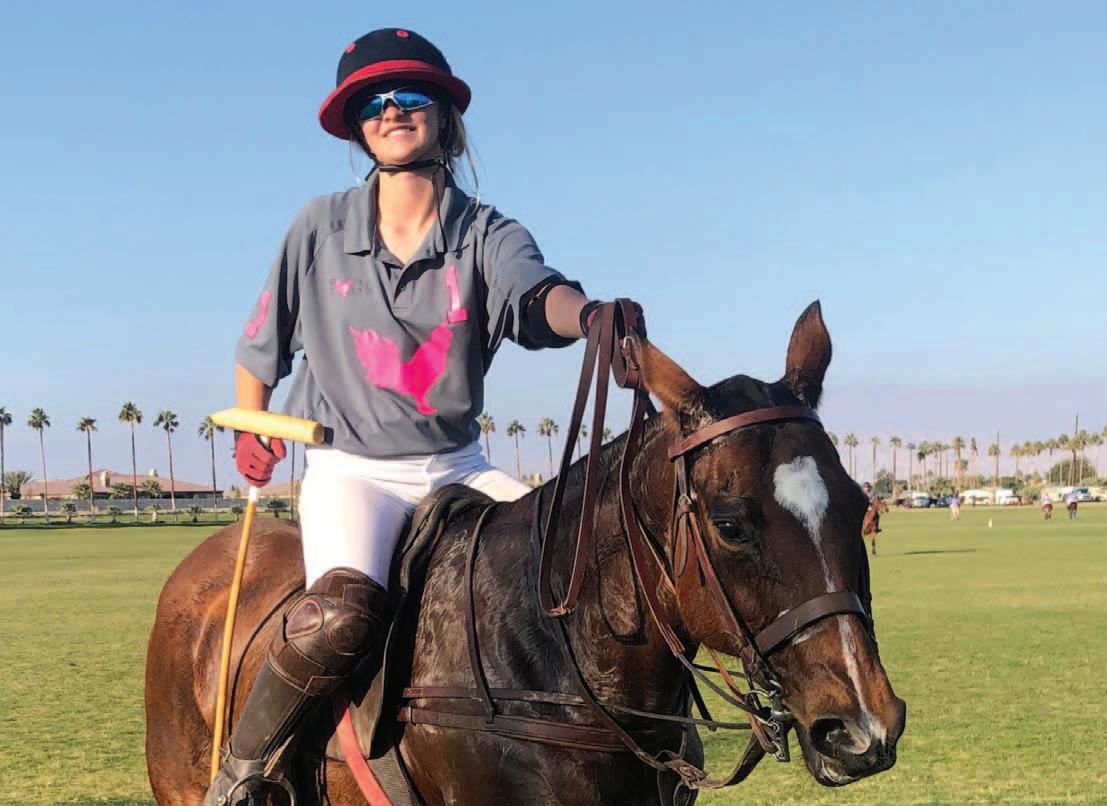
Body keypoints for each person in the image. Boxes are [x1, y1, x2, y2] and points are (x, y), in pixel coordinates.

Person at [208, 28, 606, 804]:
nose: (391, 111)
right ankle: (244, 773)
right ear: (357, 128)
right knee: (337, 619)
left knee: (572, 576)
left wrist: (589, 315)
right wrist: (252, 427)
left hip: (456, 467)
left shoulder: (485, 232)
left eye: (410, 96)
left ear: (445, 114)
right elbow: (260, 348)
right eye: (372, 103)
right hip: (352, 470)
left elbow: (536, 297)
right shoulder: (318, 227)